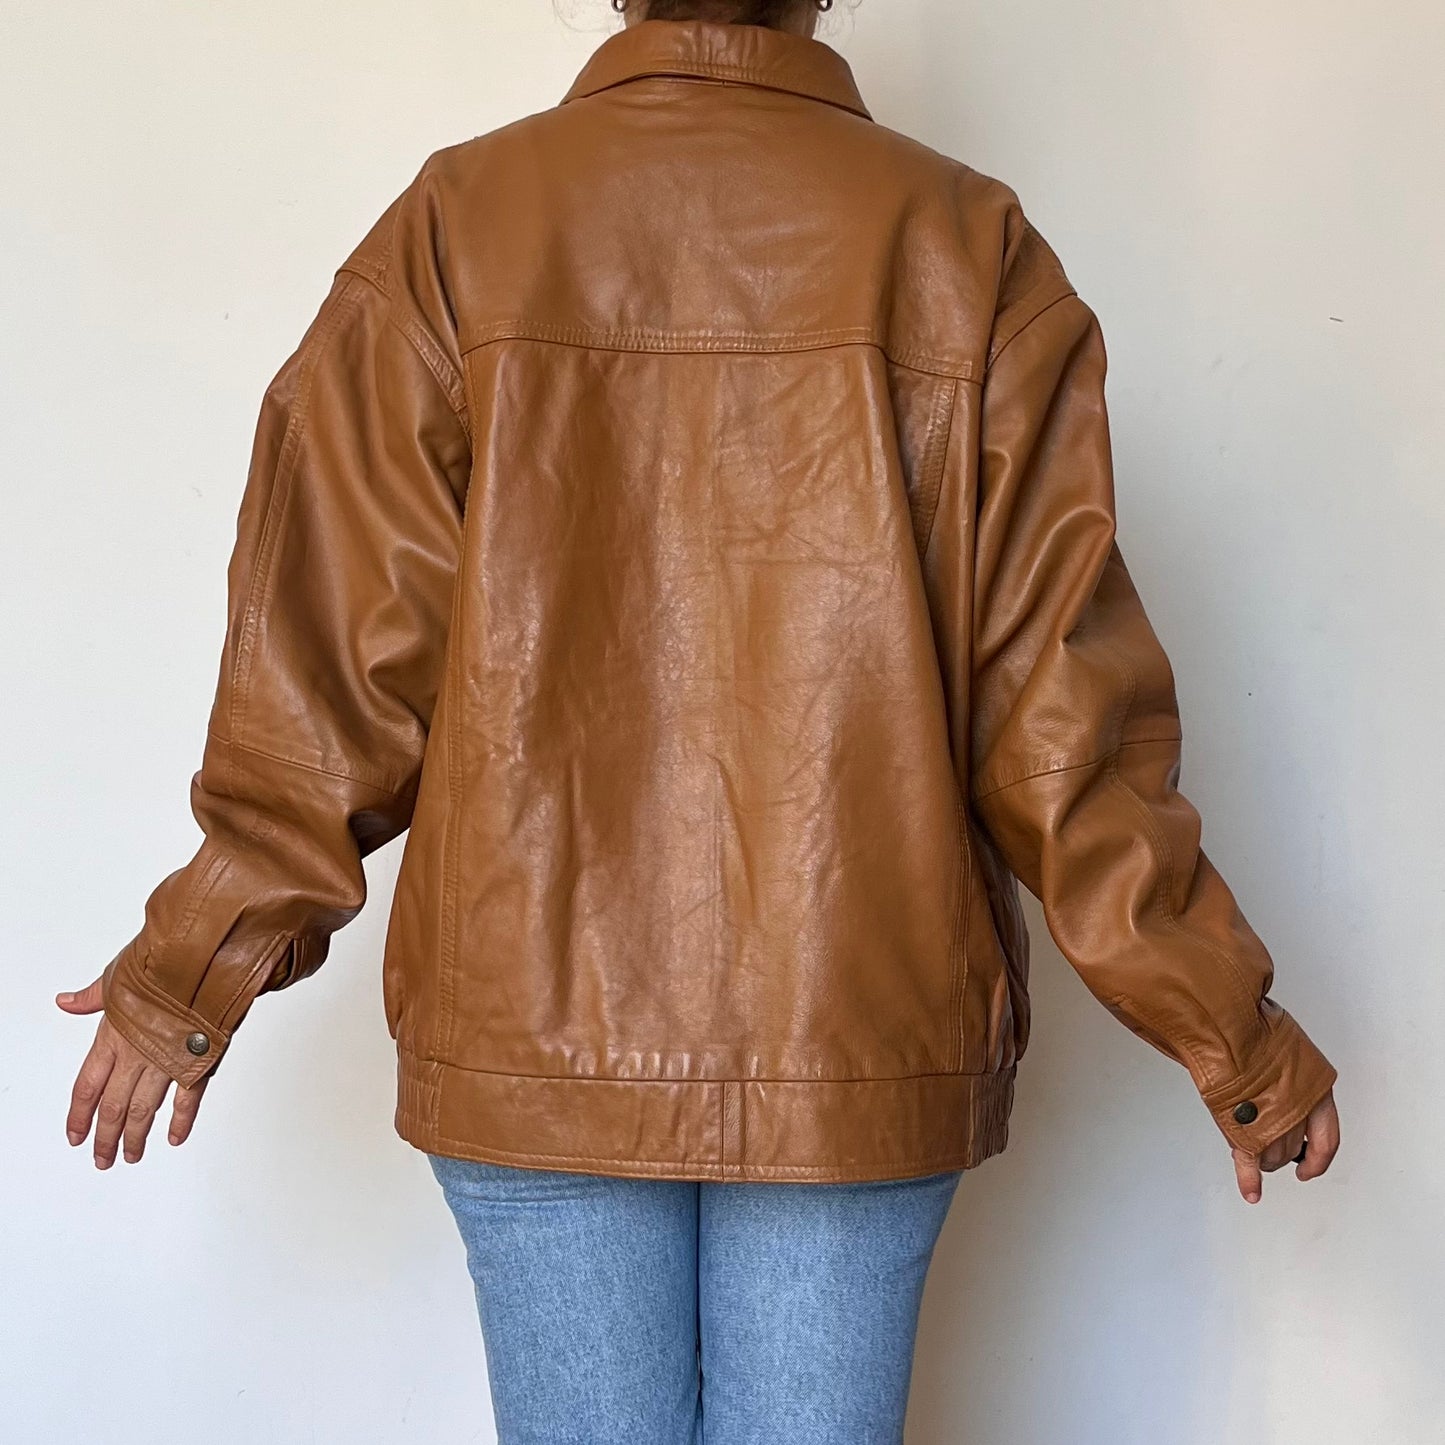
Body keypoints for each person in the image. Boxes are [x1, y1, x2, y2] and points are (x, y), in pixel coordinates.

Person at [58, 0, 1341, 1439]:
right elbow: (1062, 725)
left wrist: (192, 969)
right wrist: (1236, 1035)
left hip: (530, 1022)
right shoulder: (965, 246)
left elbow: (325, 660)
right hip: (854, 1029)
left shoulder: (457, 228)